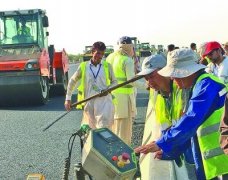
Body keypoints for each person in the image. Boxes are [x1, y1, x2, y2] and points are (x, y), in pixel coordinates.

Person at [135, 48, 228, 180]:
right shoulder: (196, 87)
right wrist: (170, 151)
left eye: (175, 74)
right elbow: (192, 130)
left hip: (223, 160)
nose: (172, 78)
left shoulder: (207, 86)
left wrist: (162, 143)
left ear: (186, 72)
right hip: (214, 161)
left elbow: (191, 120)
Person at [137, 54, 196, 180]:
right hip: (181, 145)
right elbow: (167, 123)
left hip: (196, 144)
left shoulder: (183, 89)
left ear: (166, 72)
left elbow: (188, 122)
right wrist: (163, 143)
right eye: (146, 78)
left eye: (152, 76)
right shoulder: (157, 94)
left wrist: (163, 143)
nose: (149, 82)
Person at [64, 41, 117, 129]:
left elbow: (115, 82)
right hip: (89, 102)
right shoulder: (83, 66)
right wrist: (68, 99)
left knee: (104, 128)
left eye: (102, 54)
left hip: (104, 103)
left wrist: (108, 89)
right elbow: (72, 81)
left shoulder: (107, 66)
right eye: (98, 53)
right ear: (92, 52)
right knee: (91, 130)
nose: (100, 56)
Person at [106, 36, 145, 145]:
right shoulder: (127, 60)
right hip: (124, 101)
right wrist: (147, 86)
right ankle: (124, 157)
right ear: (129, 47)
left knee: (113, 128)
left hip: (111, 99)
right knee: (124, 132)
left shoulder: (110, 57)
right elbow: (132, 81)